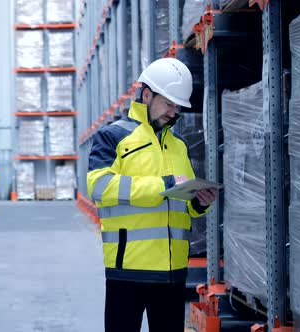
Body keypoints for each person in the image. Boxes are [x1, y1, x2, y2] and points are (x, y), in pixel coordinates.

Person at [87, 58, 218, 332]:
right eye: (168, 103)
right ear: (147, 94)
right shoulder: (112, 137)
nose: (174, 112)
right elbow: (99, 187)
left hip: (172, 273)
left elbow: (182, 201)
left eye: (177, 106)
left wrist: (198, 202)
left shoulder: (178, 145)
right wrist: (162, 185)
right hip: (128, 269)